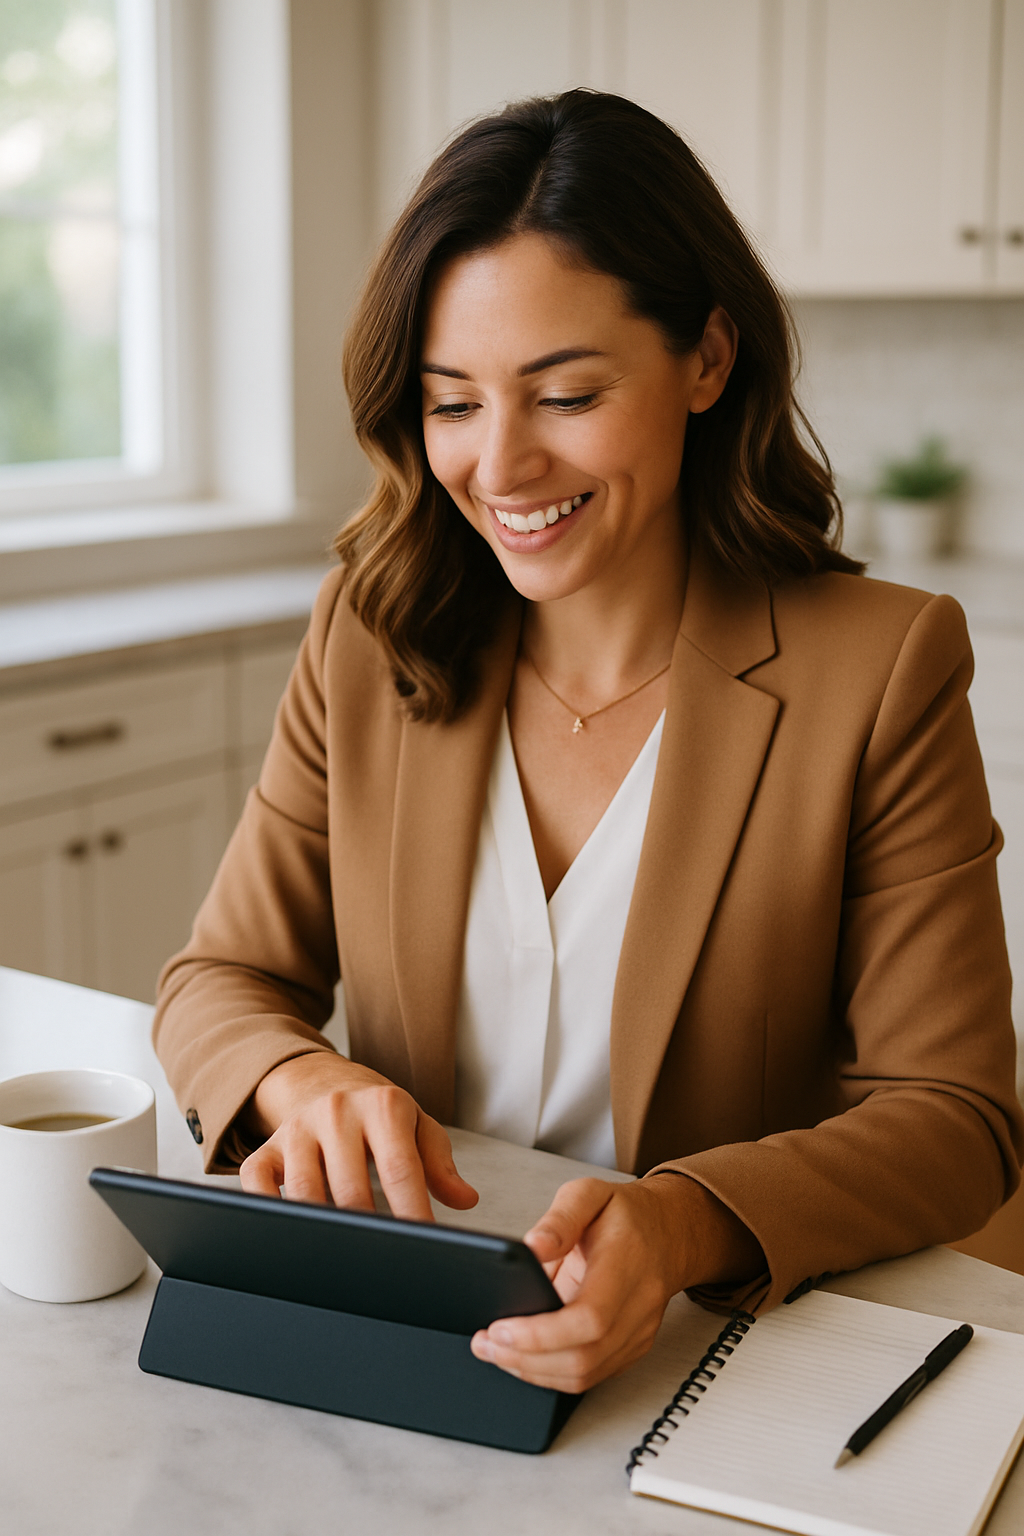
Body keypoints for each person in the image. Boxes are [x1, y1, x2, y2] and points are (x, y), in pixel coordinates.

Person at [154, 90, 1023, 1397]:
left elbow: (957, 1120)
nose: (500, 465)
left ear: (708, 362)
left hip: (719, 1362)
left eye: (563, 395)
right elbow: (217, 978)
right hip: (418, 1339)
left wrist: (682, 1223)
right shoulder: (371, 633)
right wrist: (299, 1078)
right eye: (451, 404)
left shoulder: (881, 666)